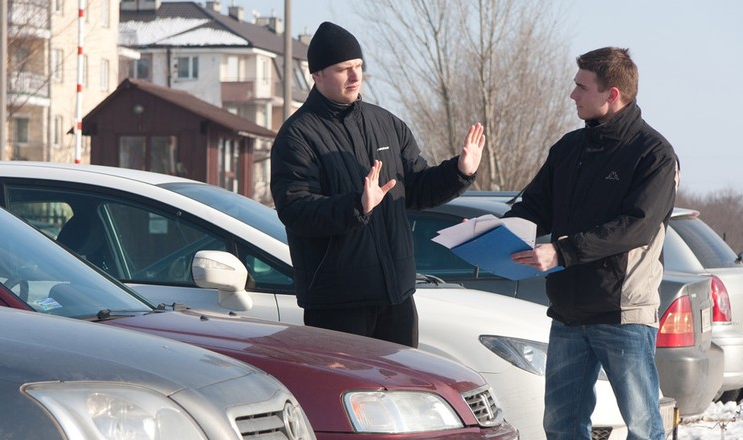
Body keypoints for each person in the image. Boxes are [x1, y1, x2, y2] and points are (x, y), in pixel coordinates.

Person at [270, 21, 485, 348]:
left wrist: (459, 171)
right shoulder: (297, 136)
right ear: (317, 75)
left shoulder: (386, 123)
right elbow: (296, 210)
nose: (356, 76)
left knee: (403, 394)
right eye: (344, 69)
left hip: (396, 297)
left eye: (358, 66)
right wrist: (357, 205)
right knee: (343, 397)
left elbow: (415, 188)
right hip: (338, 304)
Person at [504, 47, 679, 440]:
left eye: (581, 87)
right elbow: (535, 206)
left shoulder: (654, 155)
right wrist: (491, 230)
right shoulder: (568, 149)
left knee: (642, 426)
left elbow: (635, 227)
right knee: (561, 426)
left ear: (612, 94)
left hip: (623, 313)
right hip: (568, 312)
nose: (573, 95)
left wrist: (561, 251)